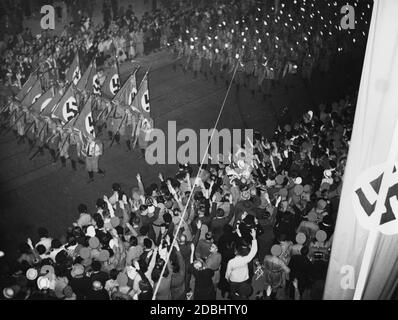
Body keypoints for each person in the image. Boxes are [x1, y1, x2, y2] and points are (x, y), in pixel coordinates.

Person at [225, 228, 258, 299]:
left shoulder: (231, 262)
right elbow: (254, 251)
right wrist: (254, 238)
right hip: (244, 280)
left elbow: (228, 272)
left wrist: (227, 278)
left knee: (233, 292)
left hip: (233, 280)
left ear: (236, 251)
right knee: (243, 292)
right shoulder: (246, 259)